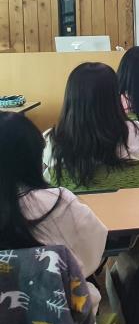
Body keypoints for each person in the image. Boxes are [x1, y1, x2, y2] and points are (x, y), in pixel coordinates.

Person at [0, 111, 107, 280]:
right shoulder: (58, 201)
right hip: (62, 294)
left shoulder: (55, 137)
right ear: (34, 155)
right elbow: (93, 248)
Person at [47, 62, 139, 187]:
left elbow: (50, 182)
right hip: (135, 199)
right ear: (114, 96)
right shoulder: (136, 131)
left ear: (70, 97)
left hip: (74, 200)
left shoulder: (52, 139)